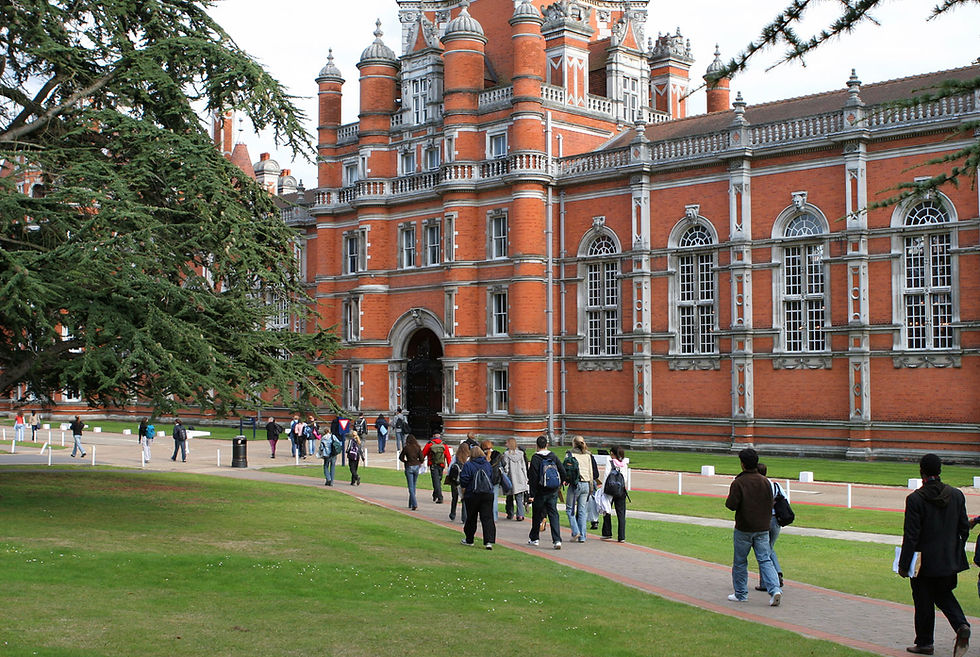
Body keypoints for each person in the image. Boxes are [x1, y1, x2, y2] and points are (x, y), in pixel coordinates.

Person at [899, 453, 970, 657]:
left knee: (923, 601)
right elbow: (964, 529)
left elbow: (911, 536)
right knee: (943, 594)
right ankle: (961, 624)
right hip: (948, 559)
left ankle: (924, 642)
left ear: (921, 471)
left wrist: (904, 565)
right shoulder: (957, 495)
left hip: (924, 562)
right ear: (940, 470)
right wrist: (955, 551)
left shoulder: (915, 499)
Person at [725, 447, 782, 606]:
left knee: (740, 562)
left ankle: (741, 593)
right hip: (763, 528)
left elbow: (731, 505)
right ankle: (774, 589)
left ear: (743, 464)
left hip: (744, 527)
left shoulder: (739, 482)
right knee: (765, 560)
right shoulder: (766, 482)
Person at [527, 434, 565, 549]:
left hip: (540, 491)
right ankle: (557, 540)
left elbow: (533, 477)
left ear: (537, 445)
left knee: (537, 515)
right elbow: (562, 471)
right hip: (552, 490)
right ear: (547, 444)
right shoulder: (553, 456)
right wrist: (560, 482)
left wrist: (531, 494)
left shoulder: (535, 458)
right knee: (553, 514)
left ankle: (535, 538)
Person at [459, 446, 496, 550]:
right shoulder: (487, 464)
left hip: (472, 494)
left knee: (471, 517)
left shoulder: (468, 465)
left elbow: (464, 480)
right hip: (488, 493)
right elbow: (491, 477)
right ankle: (489, 541)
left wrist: (464, 490)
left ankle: (469, 539)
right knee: (488, 518)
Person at [754, 463, 785, 591]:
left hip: (764, 520)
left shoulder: (757, 486)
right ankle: (776, 573)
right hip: (776, 521)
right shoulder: (776, 485)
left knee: (763, 551)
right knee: (768, 548)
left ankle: (766, 582)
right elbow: (786, 500)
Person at [567, 436, 599, 542]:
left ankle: (576, 532)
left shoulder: (570, 454)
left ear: (574, 444)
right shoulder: (588, 455)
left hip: (575, 484)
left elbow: (566, 470)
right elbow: (591, 473)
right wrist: (591, 487)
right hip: (586, 484)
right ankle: (583, 536)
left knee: (569, 510)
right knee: (582, 511)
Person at [600, 445, 628, 542]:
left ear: (612, 453)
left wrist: (603, 490)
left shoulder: (610, 462)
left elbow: (606, 476)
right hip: (620, 490)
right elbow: (625, 478)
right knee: (621, 514)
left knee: (607, 510)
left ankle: (607, 532)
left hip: (610, 490)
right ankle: (621, 536)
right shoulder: (624, 464)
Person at [503, 438, 529, 521]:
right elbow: (523, 467)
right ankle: (520, 515)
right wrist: (525, 477)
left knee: (509, 497)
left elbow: (506, 467)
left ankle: (510, 513)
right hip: (520, 477)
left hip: (511, 478)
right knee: (519, 498)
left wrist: (505, 475)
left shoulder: (506, 454)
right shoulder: (521, 453)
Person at [421, 432, 451, 504]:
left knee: (436, 481)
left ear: (433, 436)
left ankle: (439, 497)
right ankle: (436, 494)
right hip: (441, 465)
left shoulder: (429, 444)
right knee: (438, 480)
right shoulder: (444, 444)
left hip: (433, 465)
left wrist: (420, 462)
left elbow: (423, 454)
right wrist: (450, 465)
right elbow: (448, 456)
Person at [446, 442, 471, 523]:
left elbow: (450, 468)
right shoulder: (469, 458)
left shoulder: (455, 457)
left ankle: (452, 514)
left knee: (454, 498)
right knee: (464, 499)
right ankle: (464, 517)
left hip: (455, 480)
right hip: (465, 480)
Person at [398, 434, 424, 510]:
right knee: (414, 485)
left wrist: (405, 462)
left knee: (410, 487)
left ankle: (414, 503)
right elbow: (422, 458)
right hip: (416, 466)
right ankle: (411, 503)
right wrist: (418, 462)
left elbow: (401, 457)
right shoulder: (418, 447)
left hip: (409, 466)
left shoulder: (406, 448)